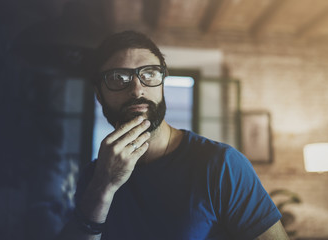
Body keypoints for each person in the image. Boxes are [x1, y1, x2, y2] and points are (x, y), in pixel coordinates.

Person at [57, 30, 289, 240]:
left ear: (162, 84)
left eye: (149, 74)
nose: (137, 89)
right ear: (99, 94)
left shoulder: (221, 165)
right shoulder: (94, 177)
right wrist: (103, 186)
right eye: (119, 78)